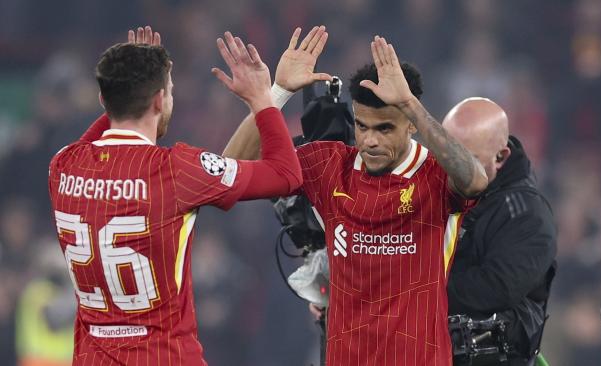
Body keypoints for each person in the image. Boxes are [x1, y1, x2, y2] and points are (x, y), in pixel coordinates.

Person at [224, 27, 488, 366]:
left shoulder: (435, 173)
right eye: (362, 126)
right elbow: (227, 170)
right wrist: (278, 92)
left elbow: (476, 181)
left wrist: (410, 103)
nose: (370, 141)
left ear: (410, 124)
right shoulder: (331, 165)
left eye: (385, 128)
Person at [47, 26, 302, 365]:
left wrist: (128, 81)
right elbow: (286, 174)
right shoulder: (177, 170)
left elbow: (100, 130)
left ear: (103, 100)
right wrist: (262, 100)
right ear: (158, 100)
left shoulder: (63, 167)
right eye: (169, 90)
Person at [443, 98, 557, 366]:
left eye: (467, 159)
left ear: (501, 157)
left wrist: (416, 286)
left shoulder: (527, 214)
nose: (452, 166)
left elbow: (494, 289)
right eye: (447, 152)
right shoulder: (433, 191)